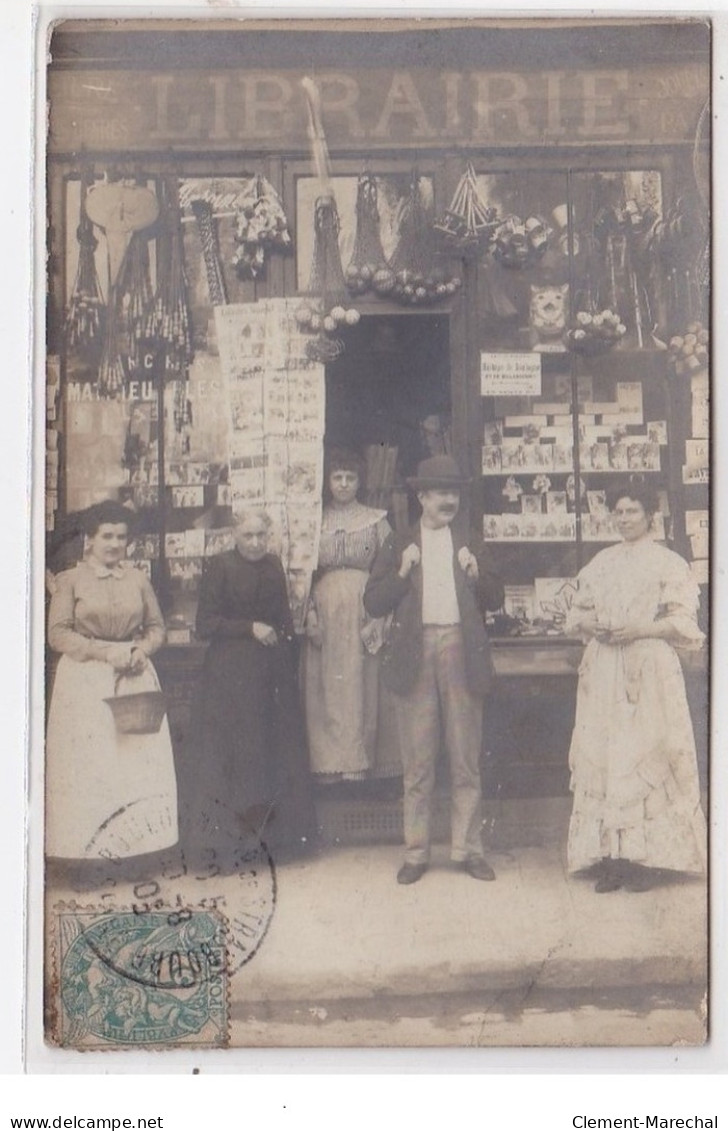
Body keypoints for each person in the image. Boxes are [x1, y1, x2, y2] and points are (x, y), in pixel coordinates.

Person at [364, 455, 505, 884]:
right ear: (421, 496)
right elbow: (373, 602)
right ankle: (416, 853)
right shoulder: (399, 541)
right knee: (419, 763)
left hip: (462, 649)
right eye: (440, 492)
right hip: (416, 649)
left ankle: (468, 850)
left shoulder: (470, 538)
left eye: (454, 492)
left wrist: (478, 574)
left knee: (465, 759)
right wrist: (403, 571)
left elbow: (496, 597)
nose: (449, 500)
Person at [565, 482, 707, 893]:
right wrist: (596, 626)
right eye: (619, 512)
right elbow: (577, 614)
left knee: (646, 750)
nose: (625, 519)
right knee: (609, 754)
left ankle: (649, 859)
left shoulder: (668, 563)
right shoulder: (602, 562)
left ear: (650, 516)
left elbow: (683, 622)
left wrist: (639, 628)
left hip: (648, 665)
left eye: (632, 511)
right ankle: (613, 856)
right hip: (606, 667)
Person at [46, 500, 178, 878]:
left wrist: (141, 649)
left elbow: (157, 627)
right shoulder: (71, 580)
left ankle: (136, 854)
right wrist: (105, 652)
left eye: (121, 537)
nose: (114, 543)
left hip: (133, 677)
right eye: (107, 536)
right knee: (93, 767)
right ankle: (87, 860)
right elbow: (57, 634)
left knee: (134, 767)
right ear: (89, 540)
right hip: (86, 680)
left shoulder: (137, 579)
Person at [189, 509, 314, 864]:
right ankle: (230, 847)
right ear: (235, 536)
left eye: (261, 535)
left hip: (270, 672)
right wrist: (250, 628)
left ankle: (273, 845)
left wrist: (287, 659)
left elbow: (283, 619)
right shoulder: (220, 566)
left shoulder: (274, 565)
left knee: (270, 751)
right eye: (248, 536)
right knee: (239, 755)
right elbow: (206, 623)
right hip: (231, 674)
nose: (256, 543)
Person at [304, 449, 399, 787]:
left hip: (365, 606)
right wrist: (310, 614)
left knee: (364, 681)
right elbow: (303, 573)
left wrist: (381, 613)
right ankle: (329, 764)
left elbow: (391, 569)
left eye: (350, 478)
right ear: (327, 482)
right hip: (326, 610)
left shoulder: (376, 520)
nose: (343, 485)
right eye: (337, 478)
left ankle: (363, 762)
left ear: (360, 482)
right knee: (327, 685)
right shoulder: (314, 521)